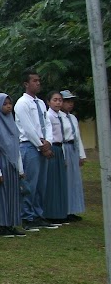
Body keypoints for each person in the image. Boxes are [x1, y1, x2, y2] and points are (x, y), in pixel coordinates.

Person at [14, 69, 58, 230]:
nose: (38, 83)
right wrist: (41, 145)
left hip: (43, 145)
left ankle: (38, 214)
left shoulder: (40, 103)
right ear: (26, 84)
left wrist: (48, 142)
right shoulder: (22, 103)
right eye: (34, 81)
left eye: (39, 80)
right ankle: (27, 216)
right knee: (29, 183)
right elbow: (28, 128)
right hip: (30, 146)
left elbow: (46, 123)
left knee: (41, 183)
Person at [0, 93, 26, 237]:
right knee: (1, 195)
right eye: (5, 104)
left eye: (10, 103)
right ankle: (1, 226)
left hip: (12, 163)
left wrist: (20, 168)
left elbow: (16, 146)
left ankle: (10, 224)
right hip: (1, 162)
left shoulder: (12, 122)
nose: (9, 106)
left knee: (12, 195)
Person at [60, 90, 86, 221]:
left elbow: (77, 137)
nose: (70, 104)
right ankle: (64, 209)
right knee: (66, 179)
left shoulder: (72, 118)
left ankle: (73, 209)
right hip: (64, 148)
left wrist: (81, 154)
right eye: (67, 102)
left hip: (73, 148)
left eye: (71, 102)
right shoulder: (57, 117)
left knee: (74, 180)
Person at [44, 91, 69, 225]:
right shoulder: (48, 116)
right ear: (49, 102)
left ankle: (60, 212)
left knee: (60, 182)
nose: (58, 102)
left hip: (60, 148)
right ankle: (50, 213)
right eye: (55, 100)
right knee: (52, 181)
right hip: (52, 148)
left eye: (60, 100)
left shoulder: (61, 116)